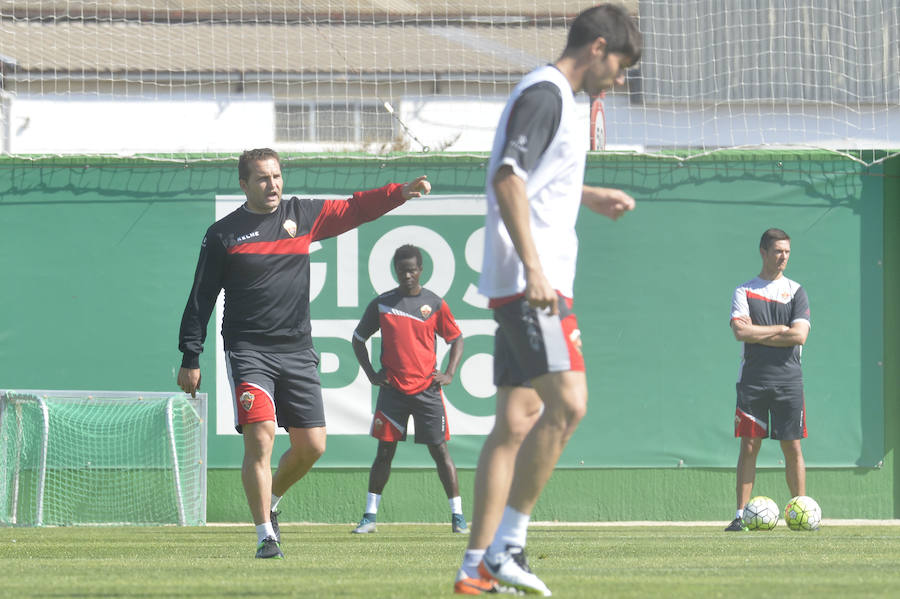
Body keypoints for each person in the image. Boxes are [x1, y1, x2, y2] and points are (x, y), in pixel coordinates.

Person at [453, 4, 641, 596]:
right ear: (598, 47)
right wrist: (534, 269)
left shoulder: (554, 96)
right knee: (570, 405)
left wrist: (584, 194)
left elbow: (534, 176)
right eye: (620, 66)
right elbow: (507, 177)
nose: (619, 79)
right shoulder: (550, 92)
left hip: (523, 280)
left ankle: (473, 570)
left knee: (515, 422)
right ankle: (508, 546)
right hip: (534, 284)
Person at [177, 148, 431, 559]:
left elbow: (354, 209)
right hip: (248, 351)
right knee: (260, 437)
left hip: (297, 349)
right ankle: (265, 536)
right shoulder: (222, 234)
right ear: (244, 185)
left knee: (312, 445)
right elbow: (200, 298)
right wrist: (191, 356)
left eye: (277, 176)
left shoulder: (302, 215)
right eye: (262, 178)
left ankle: (271, 501)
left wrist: (398, 193)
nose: (273, 184)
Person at [350, 244, 468, 534]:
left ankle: (458, 518)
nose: (407, 275)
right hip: (393, 392)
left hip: (427, 391)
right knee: (384, 452)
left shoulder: (435, 304)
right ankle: (369, 517)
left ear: (421, 270)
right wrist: (371, 374)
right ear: (395, 270)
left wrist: (450, 373)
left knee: (440, 452)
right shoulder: (383, 304)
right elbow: (357, 339)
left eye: (412, 270)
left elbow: (457, 339)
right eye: (402, 270)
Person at [724, 228, 811, 532]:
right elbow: (740, 333)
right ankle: (739, 515)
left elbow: (799, 335)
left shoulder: (797, 291)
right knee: (749, 446)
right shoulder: (743, 291)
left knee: (792, 447)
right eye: (777, 251)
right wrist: (780, 330)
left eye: (786, 251)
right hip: (753, 381)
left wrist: (760, 332)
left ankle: (801, 513)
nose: (783, 257)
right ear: (763, 252)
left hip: (789, 381)